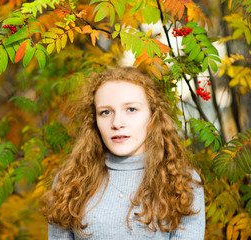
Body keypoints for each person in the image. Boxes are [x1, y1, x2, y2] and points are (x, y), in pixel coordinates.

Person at [41, 67, 205, 239]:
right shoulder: (70, 181)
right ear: (94, 120)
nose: (117, 123)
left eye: (131, 109)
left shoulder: (182, 182)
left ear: (152, 115)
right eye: (105, 112)